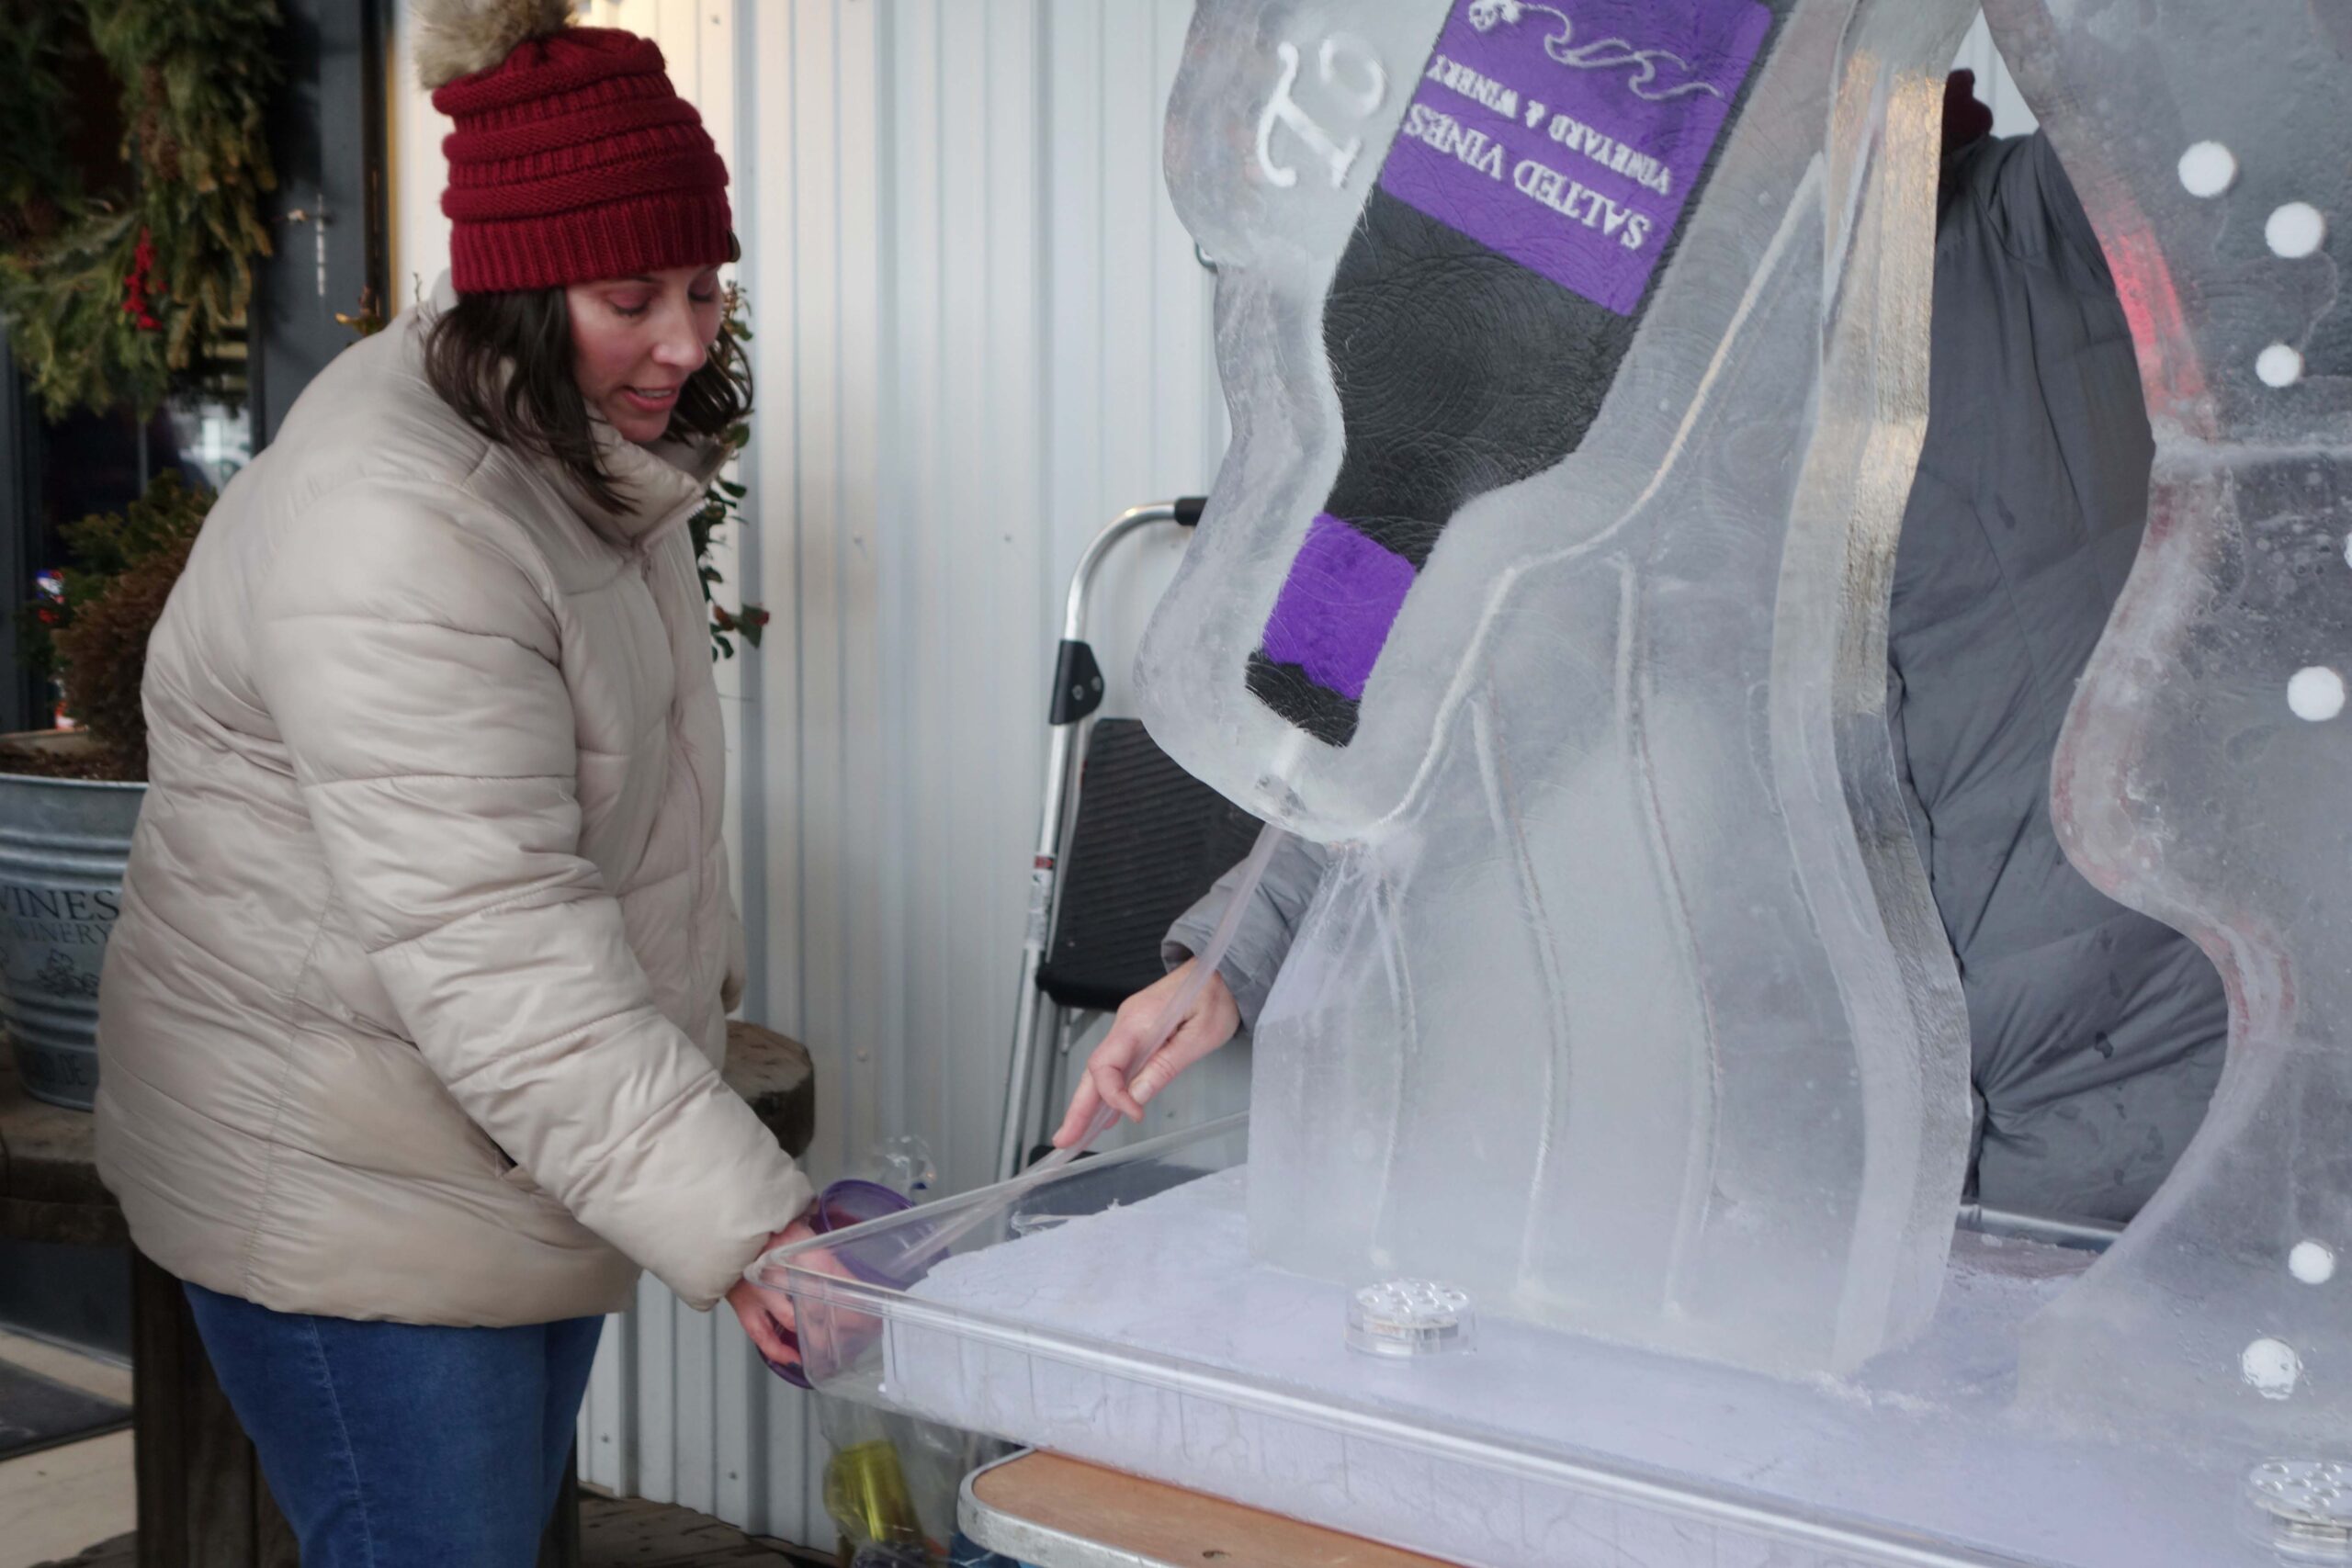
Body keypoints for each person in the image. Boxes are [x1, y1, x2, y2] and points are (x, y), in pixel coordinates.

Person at [1058, 73, 2228, 1226]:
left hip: (2133, 1088)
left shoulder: (2041, 230)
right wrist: (1227, 956)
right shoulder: (1645, 384)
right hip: (1835, 1114)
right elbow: (1465, 701)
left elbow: (2232, 89)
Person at [94, 5, 817, 1561]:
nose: (688, 339)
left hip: (485, 1146)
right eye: (632, 297)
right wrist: (749, 1220)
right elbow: (493, 935)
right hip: (348, 1175)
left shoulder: (569, 446)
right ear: (518, 292)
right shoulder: (406, 524)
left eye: (704, 284)